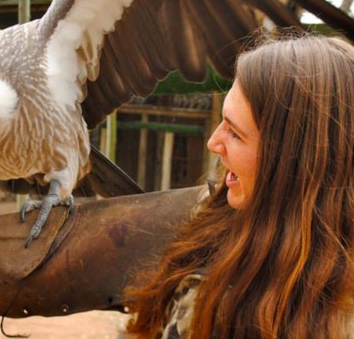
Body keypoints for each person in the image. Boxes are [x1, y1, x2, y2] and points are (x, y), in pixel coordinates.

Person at [124, 32, 354, 338]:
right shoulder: (217, 218)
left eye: (235, 133)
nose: (212, 142)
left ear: (290, 159)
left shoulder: (330, 321)